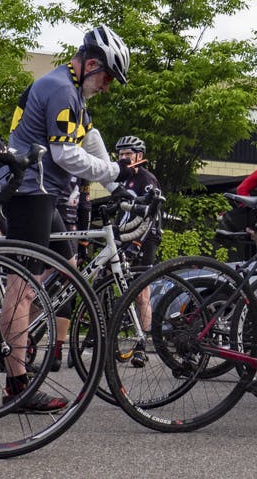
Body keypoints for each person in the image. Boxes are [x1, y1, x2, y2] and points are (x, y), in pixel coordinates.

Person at [0, 24, 131, 409]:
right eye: (107, 77)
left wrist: (116, 176)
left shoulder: (72, 90)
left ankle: (20, 335)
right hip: (30, 191)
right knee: (22, 286)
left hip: (46, 192)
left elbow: (89, 137)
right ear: (91, 64)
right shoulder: (60, 89)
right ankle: (17, 382)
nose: (107, 85)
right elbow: (65, 156)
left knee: (68, 266)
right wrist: (113, 174)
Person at [112, 135, 162, 365]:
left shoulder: (147, 179)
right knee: (113, 285)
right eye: (120, 154)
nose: (123, 158)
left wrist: (136, 244)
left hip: (144, 238)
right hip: (123, 236)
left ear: (139, 156)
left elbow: (151, 215)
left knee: (141, 292)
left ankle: (142, 344)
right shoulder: (122, 179)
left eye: (127, 154)